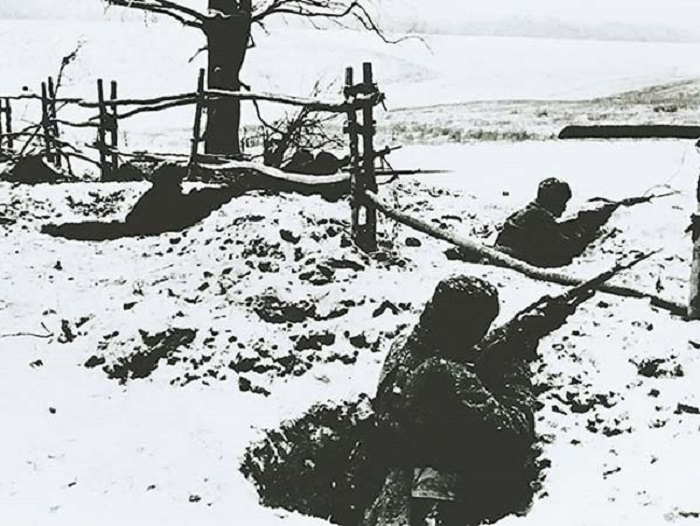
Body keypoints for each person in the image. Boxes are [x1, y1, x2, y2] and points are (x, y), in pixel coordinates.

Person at [362, 276, 537, 526]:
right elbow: (515, 433)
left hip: (389, 484)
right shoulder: (445, 374)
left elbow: (463, 350)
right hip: (431, 504)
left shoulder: (406, 346)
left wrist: (506, 335)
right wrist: (515, 364)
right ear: (466, 328)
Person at [494, 177, 618, 267]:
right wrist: (588, 233)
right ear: (553, 202)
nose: (564, 208)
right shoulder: (539, 217)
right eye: (562, 203)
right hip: (517, 257)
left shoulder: (528, 212)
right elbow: (562, 251)